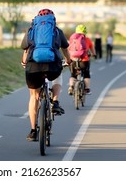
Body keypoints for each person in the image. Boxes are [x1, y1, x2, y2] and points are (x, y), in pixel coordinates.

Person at [21, 9, 70, 141]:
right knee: (58, 75)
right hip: (52, 67)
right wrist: (69, 61)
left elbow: (25, 49)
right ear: (53, 19)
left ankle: (33, 130)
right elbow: (65, 48)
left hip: (33, 67)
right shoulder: (57, 31)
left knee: (34, 96)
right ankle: (55, 101)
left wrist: (24, 62)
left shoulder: (31, 30)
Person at [68, 24, 96, 96]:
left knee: (73, 75)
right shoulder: (87, 40)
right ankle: (86, 89)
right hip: (83, 61)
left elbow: (68, 48)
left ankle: (71, 86)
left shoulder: (72, 39)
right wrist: (94, 54)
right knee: (86, 74)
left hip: (73, 60)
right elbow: (92, 49)